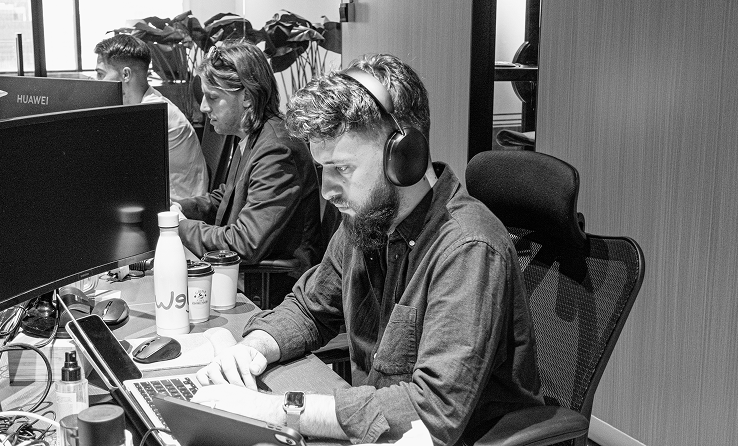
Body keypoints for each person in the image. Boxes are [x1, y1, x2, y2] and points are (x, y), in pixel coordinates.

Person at [191, 54, 543, 445]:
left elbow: (433, 410)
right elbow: (311, 306)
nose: (327, 191)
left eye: (342, 169)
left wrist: (276, 410)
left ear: (404, 156)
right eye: (323, 169)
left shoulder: (468, 248)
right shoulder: (366, 219)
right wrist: (254, 349)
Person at [171, 41, 321, 275]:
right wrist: (181, 207)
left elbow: (243, 244)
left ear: (248, 97)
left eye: (212, 97)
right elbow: (227, 197)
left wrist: (179, 227)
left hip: (274, 289)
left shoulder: (276, 150)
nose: (203, 107)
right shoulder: (253, 136)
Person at [94, 34, 208, 200]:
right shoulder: (144, 106)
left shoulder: (153, 114)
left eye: (101, 74)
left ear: (126, 75)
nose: (97, 82)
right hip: (164, 201)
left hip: (179, 211)